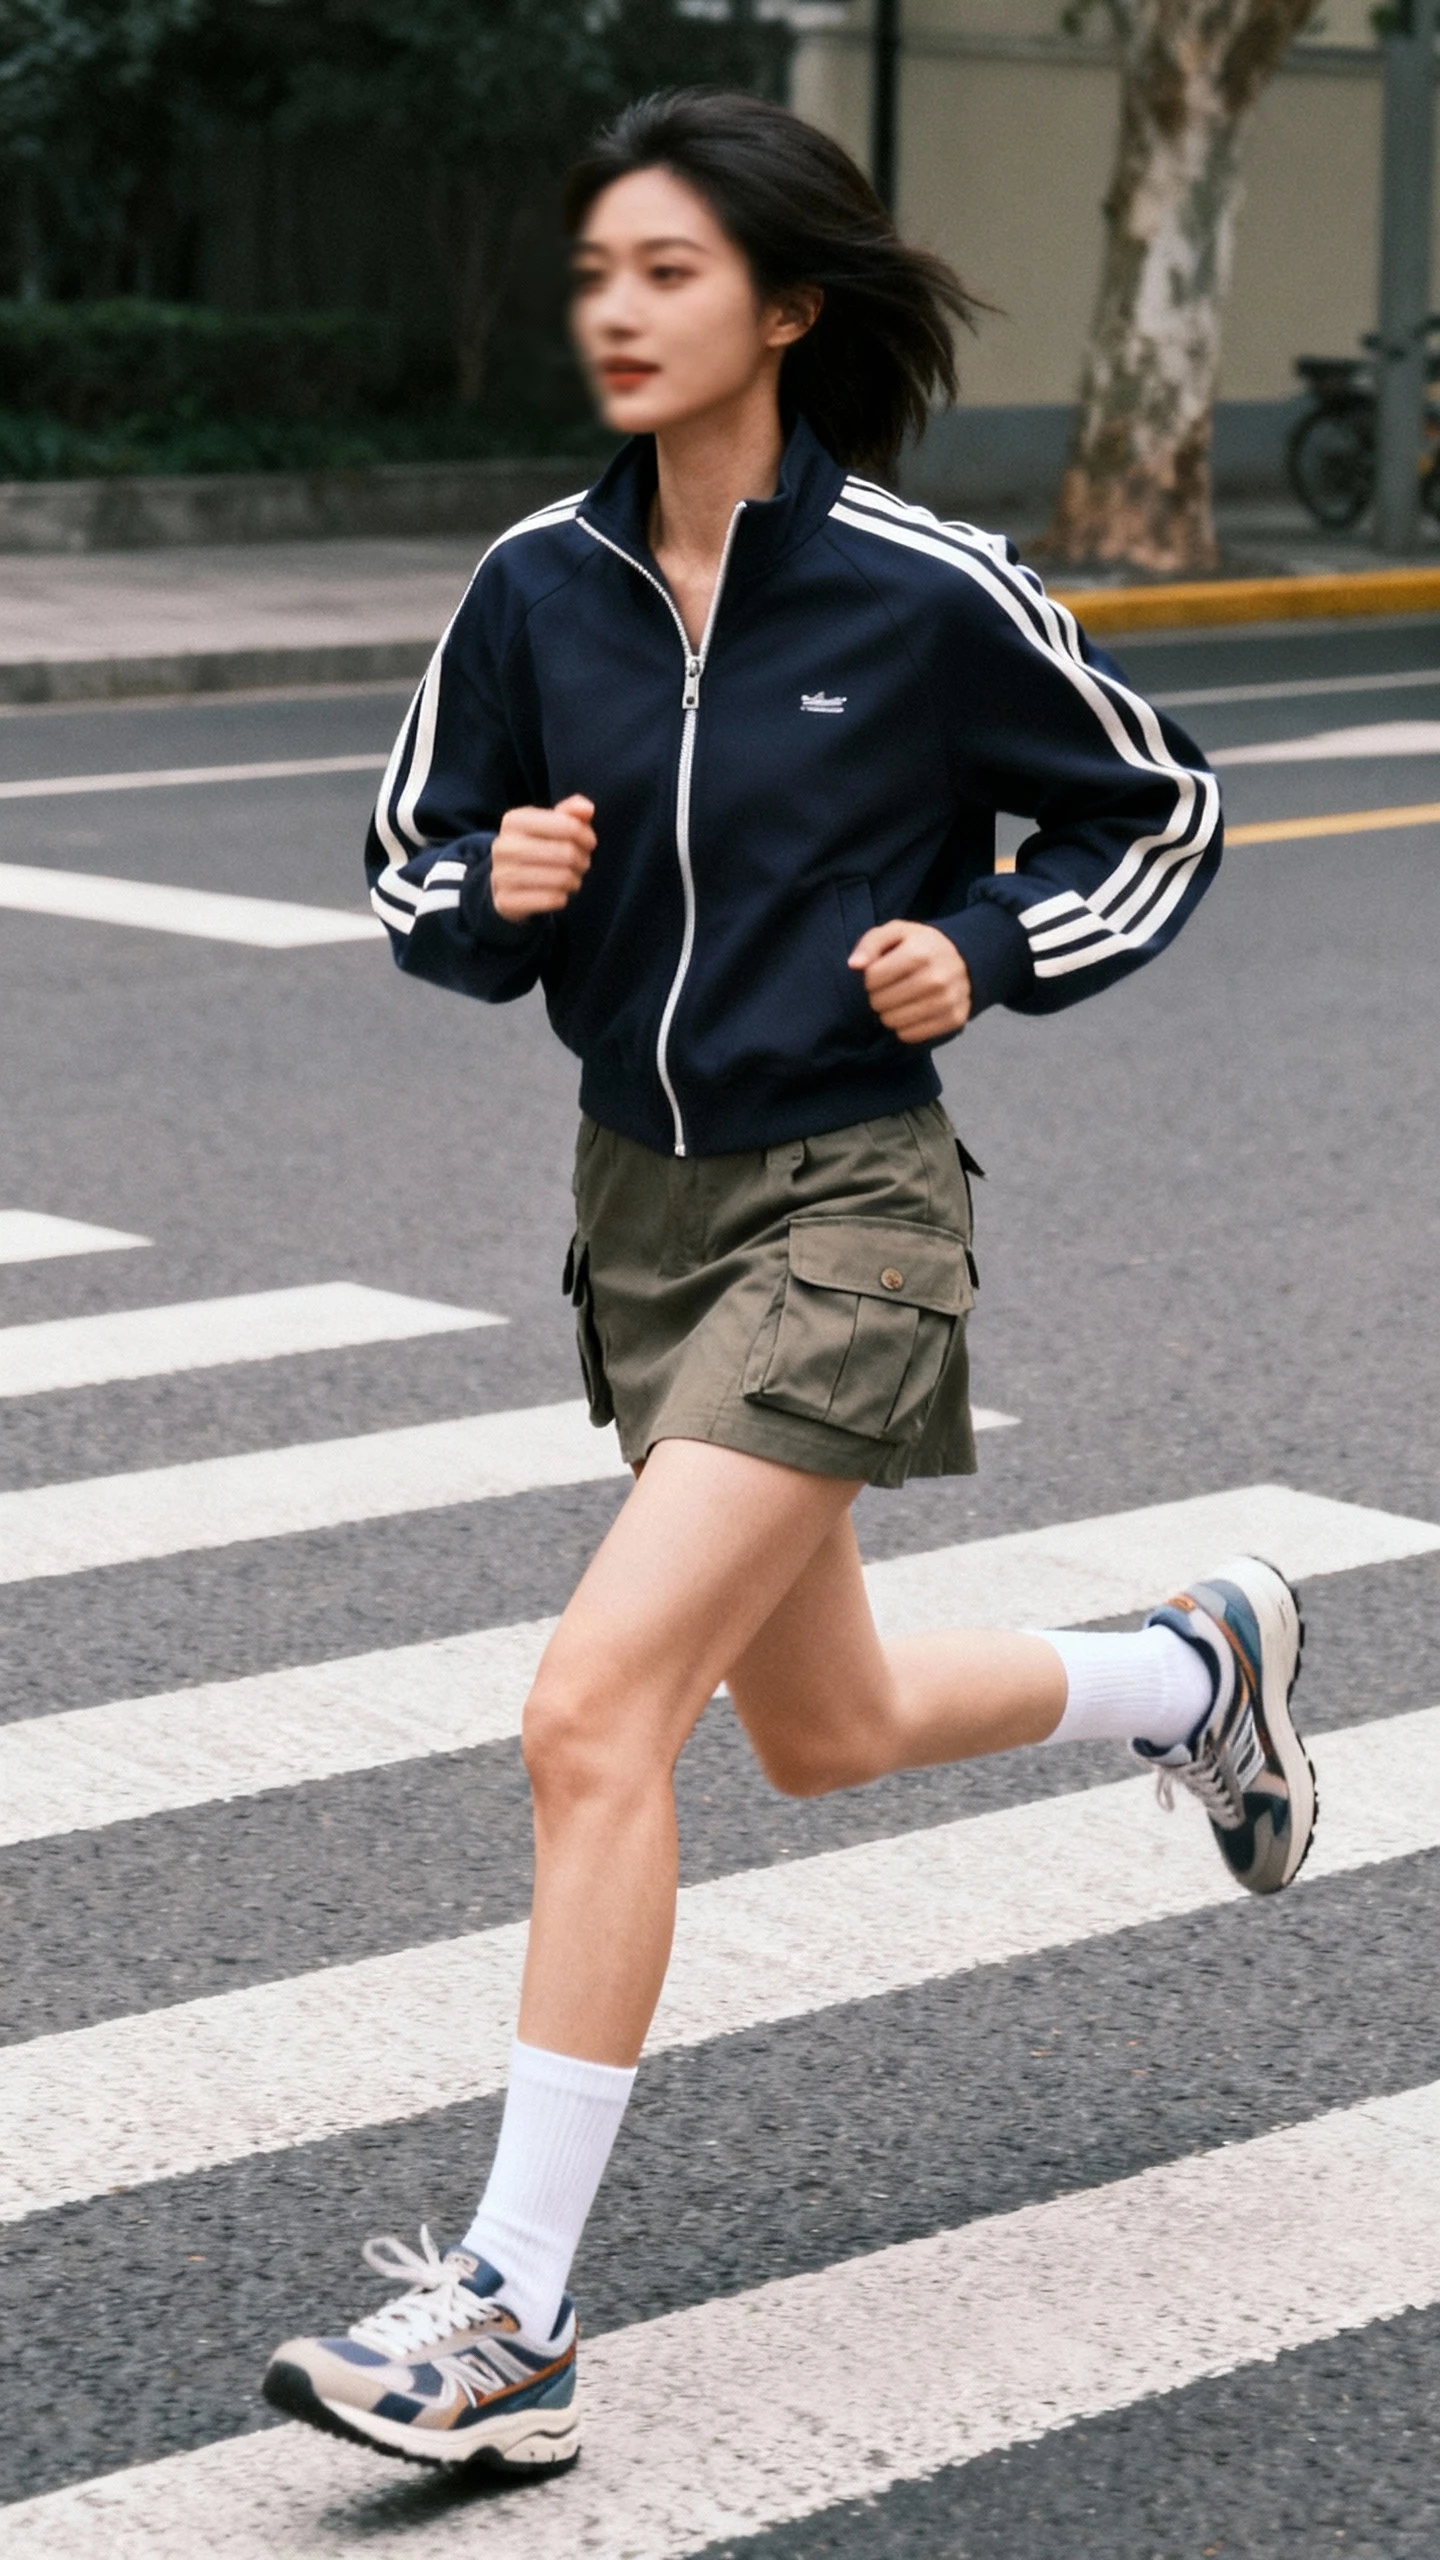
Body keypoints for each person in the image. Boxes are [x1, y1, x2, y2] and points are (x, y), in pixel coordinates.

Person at [263, 87, 1315, 2476]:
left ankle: (509, 2319)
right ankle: (1193, 1671)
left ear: (788, 303)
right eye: (595, 274)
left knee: (589, 1708)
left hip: (849, 1204)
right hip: (641, 1215)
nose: (614, 312)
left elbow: (1164, 802)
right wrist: (497, 889)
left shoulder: (926, 593)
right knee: (817, 1725)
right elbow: (411, 857)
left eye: (665, 271)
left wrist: (992, 939)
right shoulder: (536, 585)